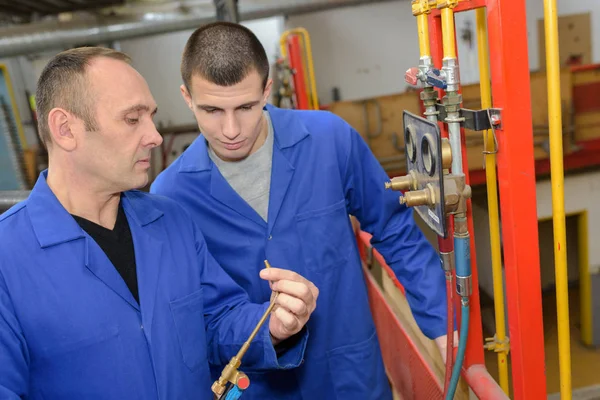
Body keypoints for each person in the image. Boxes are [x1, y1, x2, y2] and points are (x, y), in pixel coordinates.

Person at [151, 22, 455, 400]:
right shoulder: (171, 196)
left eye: (245, 107)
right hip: (256, 384)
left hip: (349, 376)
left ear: (266, 89)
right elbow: (192, 318)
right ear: (186, 97)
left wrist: (444, 326)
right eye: (212, 109)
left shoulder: (329, 139)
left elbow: (394, 229)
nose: (231, 129)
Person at [0, 47, 319, 399]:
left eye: (151, 116)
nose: (154, 136)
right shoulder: (8, 259)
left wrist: (270, 327)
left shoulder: (172, 222)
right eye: (132, 119)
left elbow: (213, 322)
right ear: (65, 129)